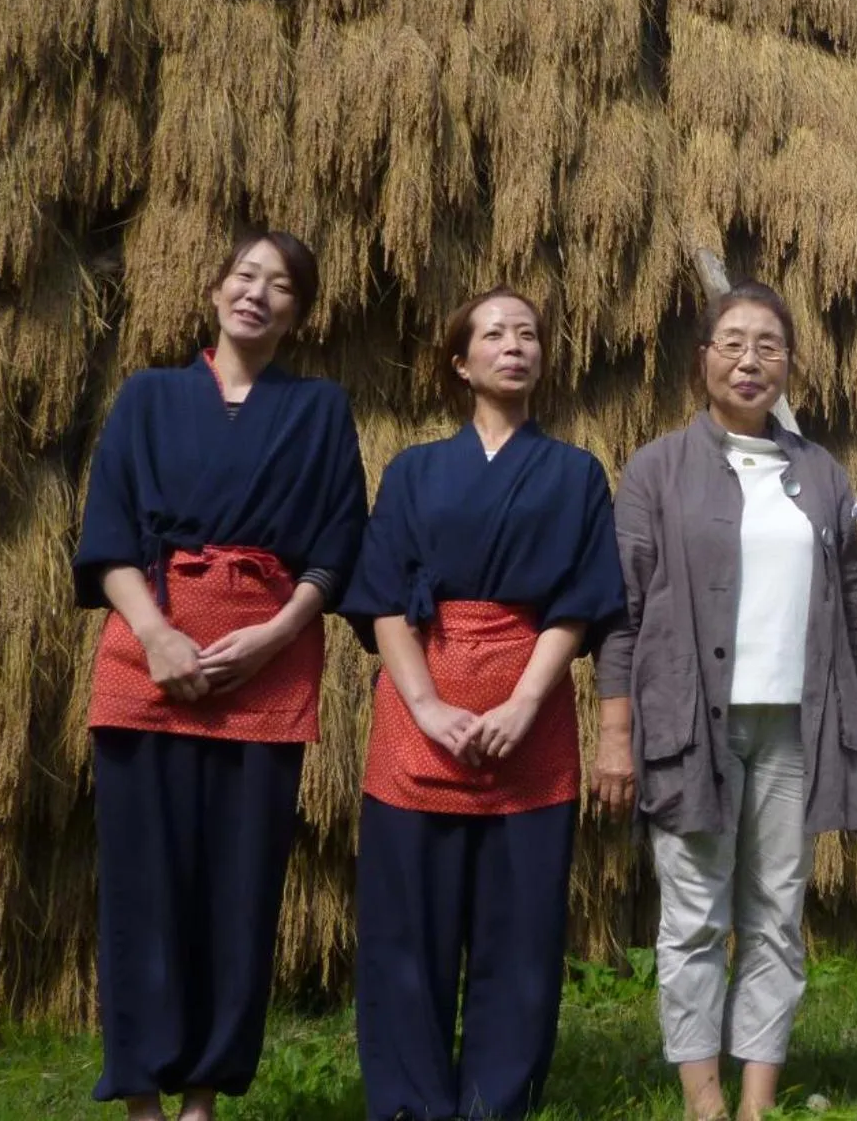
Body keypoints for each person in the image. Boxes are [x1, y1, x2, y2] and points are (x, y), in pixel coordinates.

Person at [76, 230, 369, 1121]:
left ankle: (203, 1097)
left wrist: (273, 636)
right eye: (245, 276)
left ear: (298, 313)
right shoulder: (149, 396)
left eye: (281, 286)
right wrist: (158, 634)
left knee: (241, 888)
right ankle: (140, 1097)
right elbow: (111, 531)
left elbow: (338, 541)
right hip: (147, 659)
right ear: (214, 290)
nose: (258, 294)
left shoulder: (321, 409)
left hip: (268, 668)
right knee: (142, 886)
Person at [340, 287, 626, 1121]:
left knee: (521, 931)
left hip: (528, 725)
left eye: (529, 334)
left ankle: (496, 1102)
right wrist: (425, 704)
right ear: (460, 363)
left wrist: (525, 703)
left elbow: (579, 601)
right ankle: (410, 1103)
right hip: (416, 718)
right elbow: (383, 595)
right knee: (405, 932)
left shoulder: (575, 473)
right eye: (494, 335)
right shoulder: (413, 469)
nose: (515, 346)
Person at [592, 281, 857, 1121]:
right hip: (689, 725)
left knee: (777, 916)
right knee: (691, 919)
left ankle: (757, 1101)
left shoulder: (821, 474)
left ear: (789, 364)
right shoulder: (657, 468)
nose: (751, 360)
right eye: (734, 343)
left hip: (791, 729)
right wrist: (616, 731)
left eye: (770, 346)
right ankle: (702, 1101)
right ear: (703, 359)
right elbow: (624, 609)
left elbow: (851, 606)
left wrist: (847, 716)